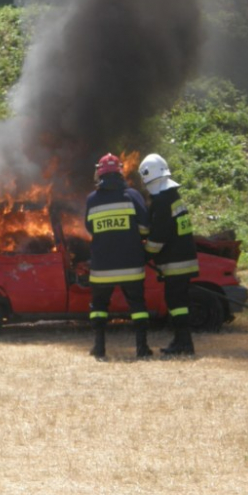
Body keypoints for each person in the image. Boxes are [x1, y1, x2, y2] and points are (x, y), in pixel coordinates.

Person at [85, 153, 152, 360]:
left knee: (99, 308)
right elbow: (145, 228)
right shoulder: (132, 196)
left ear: (100, 173)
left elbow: (90, 228)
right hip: (131, 265)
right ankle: (142, 348)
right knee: (138, 307)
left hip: (101, 269)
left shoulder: (92, 200)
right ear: (119, 172)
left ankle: (99, 347)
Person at [138, 154, 199, 356]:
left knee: (176, 303)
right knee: (178, 301)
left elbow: (159, 236)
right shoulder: (173, 195)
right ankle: (182, 341)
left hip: (176, 261)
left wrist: (146, 255)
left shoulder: (162, 201)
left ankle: (184, 344)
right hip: (184, 257)